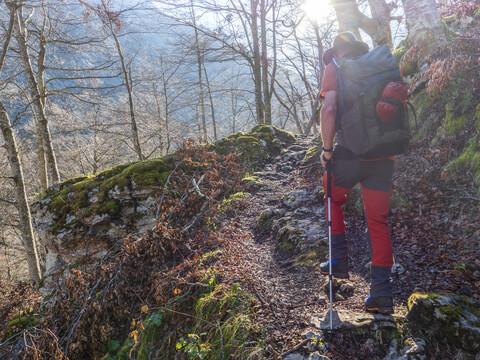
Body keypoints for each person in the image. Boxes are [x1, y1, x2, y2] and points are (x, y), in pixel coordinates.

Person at [318, 32, 395, 315]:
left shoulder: (334, 67)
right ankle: (382, 295)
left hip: (350, 155)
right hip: (384, 156)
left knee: (330, 193)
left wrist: (327, 151)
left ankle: (338, 260)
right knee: (378, 221)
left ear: (337, 52)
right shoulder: (377, 68)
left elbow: (329, 109)